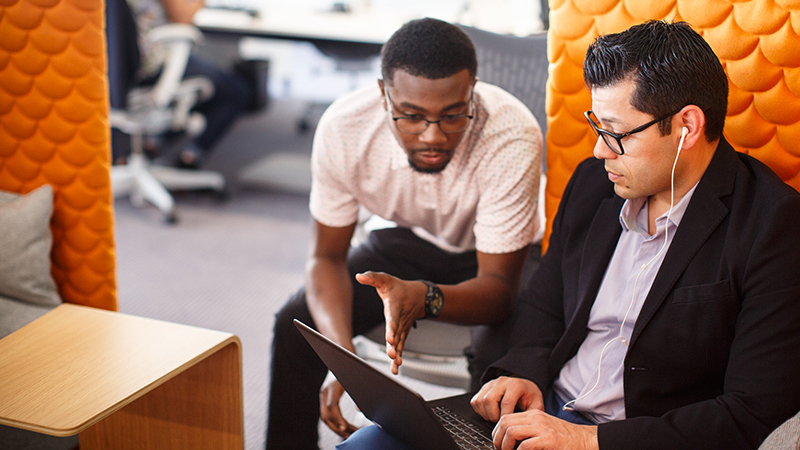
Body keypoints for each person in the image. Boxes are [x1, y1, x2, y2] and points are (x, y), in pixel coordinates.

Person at [340, 19, 800, 450]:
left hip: (631, 439)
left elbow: (750, 412)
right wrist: (521, 373)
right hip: (541, 414)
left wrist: (587, 442)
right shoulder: (593, 185)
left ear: (687, 127)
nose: (599, 149)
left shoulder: (771, 226)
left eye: (616, 133)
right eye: (597, 125)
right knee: (370, 443)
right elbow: (544, 304)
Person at [266, 18, 543, 450]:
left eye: (453, 115)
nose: (432, 136)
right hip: (409, 240)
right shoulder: (345, 128)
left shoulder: (511, 133)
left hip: (501, 256)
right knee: (295, 325)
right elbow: (325, 259)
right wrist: (343, 358)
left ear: (473, 90)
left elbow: (499, 291)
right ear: (384, 94)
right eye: (411, 116)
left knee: (500, 361)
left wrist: (426, 295)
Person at [124, 0, 251, 168]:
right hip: (153, 65)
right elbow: (183, 16)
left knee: (202, 88)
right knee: (236, 91)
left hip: (122, 69)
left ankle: (156, 141)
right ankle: (190, 157)